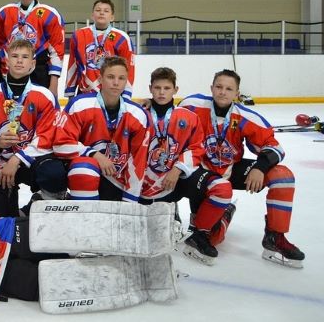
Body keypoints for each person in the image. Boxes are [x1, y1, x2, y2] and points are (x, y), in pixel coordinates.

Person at [178, 70, 305, 268]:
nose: (223, 92)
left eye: (229, 89)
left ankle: (275, 236)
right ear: (211, 88)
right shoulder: (192, 105)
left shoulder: (245, 116)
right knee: (212, 238)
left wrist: (260, 167)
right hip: (199, 173)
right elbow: (166, 118)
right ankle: (219, 216)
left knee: (282, 176)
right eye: (219, 87)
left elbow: (275, 147)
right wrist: (150, 104)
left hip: (230, 170)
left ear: (237, 94)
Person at [139, 67, 233, 265]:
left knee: (221, 188)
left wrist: (178, 169)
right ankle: (169, 211)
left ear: (175, 90)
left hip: (178, 178)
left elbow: (197, 147)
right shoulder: (139, 115)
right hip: (146, 185)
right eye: (157, 88)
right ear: (150, 89)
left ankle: (200, 233)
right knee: (149, 235)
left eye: (167, 88)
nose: (161, 92)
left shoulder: (188, 116)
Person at [0, 39, 66, 218]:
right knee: (1, 219)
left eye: (25, 57)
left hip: (30, 161)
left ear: (33, 63)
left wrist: (17, 158)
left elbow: (46, 136)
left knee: (54, 173)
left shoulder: (44, 96)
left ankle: (40, 201)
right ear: (6, 60)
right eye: (15, 56)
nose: (19, 61)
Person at [54, 56, 149, 202]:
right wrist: (94, 154)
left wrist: (130, 199)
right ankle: (84, 213)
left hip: (118, 179)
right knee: (83, 168)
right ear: (100, 79)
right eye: (110, 77)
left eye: (121, 78)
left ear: (126, 81)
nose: (116, 83)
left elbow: (138, 160)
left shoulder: (138, 114)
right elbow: (61, 144)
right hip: (86, 172)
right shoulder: (79, 105)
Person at [0, 0, 65, 97]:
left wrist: (54, 84)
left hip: (39, 72)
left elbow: (56, 51)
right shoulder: (4, 13)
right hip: (10, 72)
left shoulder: (50, 14)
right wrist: (2, 73)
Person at [65, 0, 135, 98]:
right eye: (98, 10)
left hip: (111, 94)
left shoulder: (122, 38)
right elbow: (73, 65)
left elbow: (129, 69)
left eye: (106, 11)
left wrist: (126, 95)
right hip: (85, 93)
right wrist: (70, 92)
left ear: (112, 17)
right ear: (92, 15)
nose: (101, 13)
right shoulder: (79, 35)